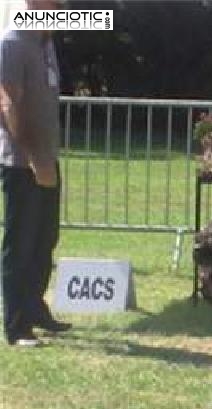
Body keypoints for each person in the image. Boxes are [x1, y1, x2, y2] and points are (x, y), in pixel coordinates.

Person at [0, 0, 71, 347]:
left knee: (45, 239)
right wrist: (32, 157)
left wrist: (47, 158)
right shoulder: (12, 42)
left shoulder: (46, 43)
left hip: (48, 157)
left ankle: (35, 307)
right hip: (21, 162)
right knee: (21, 244)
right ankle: (16, 326)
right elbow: (8, 104)